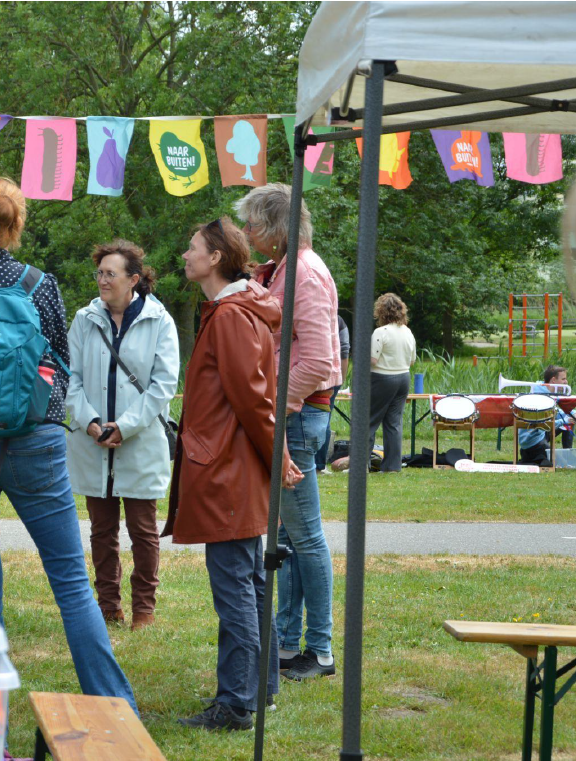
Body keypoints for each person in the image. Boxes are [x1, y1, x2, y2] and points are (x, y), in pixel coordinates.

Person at [0, 177, 137, 710]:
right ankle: (113, 705)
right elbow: (59, 365)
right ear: (18, 225)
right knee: (69, 578)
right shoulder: (42, 285)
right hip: (36, 445)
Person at [164, 217, 302, 731]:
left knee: (236, 588)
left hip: (228, 470)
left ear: (216, 257)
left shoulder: (229, 316)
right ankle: (258, 691)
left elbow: (253, 399)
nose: (185, 253)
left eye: (193, 246)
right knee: (249, 583)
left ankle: (237, 703)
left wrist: (278, 456)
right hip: (232, 465)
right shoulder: (235, 311)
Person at [235, 183, 341, 682]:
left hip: (297, 417)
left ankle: (319, 650)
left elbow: (319, 357)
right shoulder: (282, 270)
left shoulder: (303, 273)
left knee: (305, 536)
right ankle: (288, 643)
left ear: (277, 228)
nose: (247, 233)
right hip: (294, 415)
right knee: (287, 537)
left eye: (253, 224)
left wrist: (277, 403)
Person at [64, 239, 178, 631]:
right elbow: (71, 378)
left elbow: (163, 386)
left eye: (110, 273)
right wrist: (91, 421)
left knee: (144, 532)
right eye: (99, 273)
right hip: (93, 441)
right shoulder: (84, 318)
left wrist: (124, 427)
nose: (102, 280)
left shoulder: (160, 320)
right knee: (102, 530)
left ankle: (144, 609)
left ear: (133, 279)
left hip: (140, 440)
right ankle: (108, 605)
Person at [368, 293, 416, 472]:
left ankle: (360, 465)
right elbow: (412, 361)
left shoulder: (381, 332)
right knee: (394, 423)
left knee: (368, 422)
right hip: (403, 378)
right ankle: (392, 466)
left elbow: (372, 360)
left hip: (382, 379)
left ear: (381, 311)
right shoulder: (408, 332)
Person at [519, 364, 574, 464]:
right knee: (558, 463)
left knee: (569, 419)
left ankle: (568, 452)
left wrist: (572, 415)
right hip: (533, 439)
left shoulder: (548, 392)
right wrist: (564, 421)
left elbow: (556, 411)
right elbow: (543, 423)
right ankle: (566, 456)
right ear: (553, 380)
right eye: (563, 379)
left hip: (539, 432)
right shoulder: (540, 396)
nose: (566, 382)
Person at [315, 315, 350, 474]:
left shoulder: (308, 313)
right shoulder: (339, 321)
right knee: (325, 420)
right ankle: (319, 465)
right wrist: (340, 380)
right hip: (331, 377)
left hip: (309, 374)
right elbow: (344, 351)